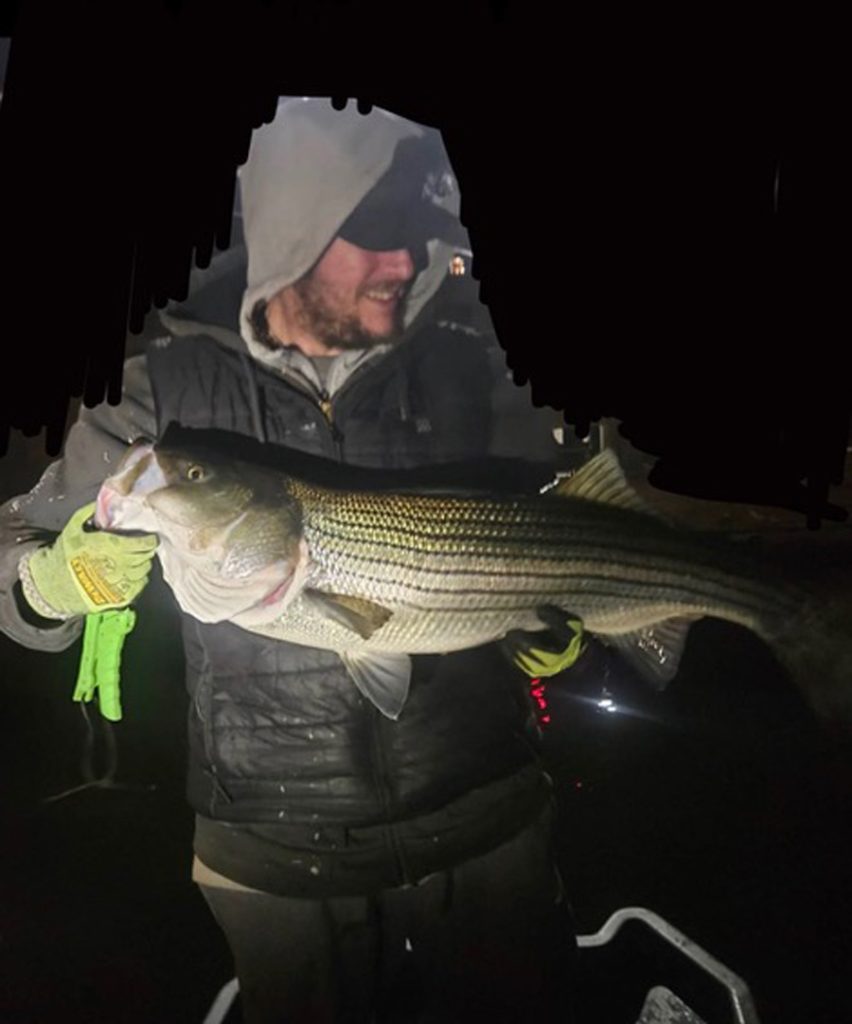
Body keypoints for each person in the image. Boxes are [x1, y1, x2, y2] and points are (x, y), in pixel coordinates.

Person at [0, 98, 583, 1023]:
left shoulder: (474, 369)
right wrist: (47, 582)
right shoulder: (159, 387)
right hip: (269, 856)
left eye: (421, 235)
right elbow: (14, 556)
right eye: (375, 235)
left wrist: (557, 631)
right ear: (292, 232)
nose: (406, 265)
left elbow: (554, 539)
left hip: (488, 817)